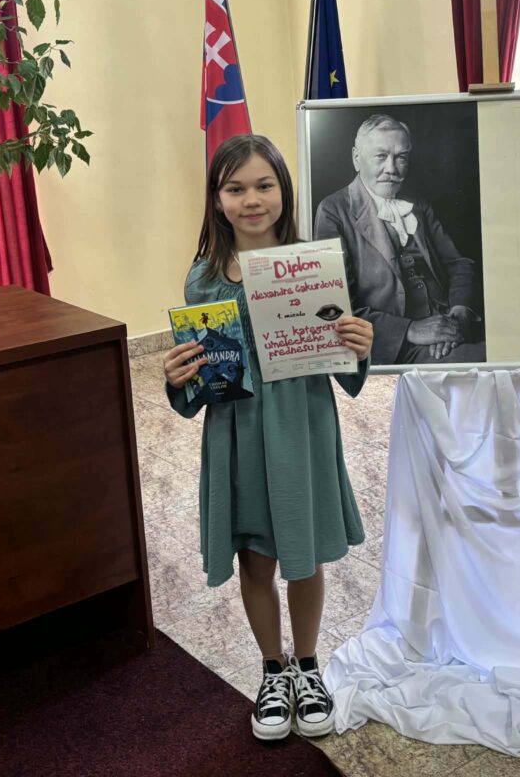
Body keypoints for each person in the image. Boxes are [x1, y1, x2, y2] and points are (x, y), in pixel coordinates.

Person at [163, 134, 373, 742]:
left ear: (284, 191)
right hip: (239, 431)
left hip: (302, 425)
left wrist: (357, 347)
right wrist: (179, 378)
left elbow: (342, 362)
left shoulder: (316, 266)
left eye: (264, 185)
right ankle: (273, 669)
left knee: (303, 553)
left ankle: (307, 666)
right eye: (236, 188)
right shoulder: (204, 281)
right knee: (256, 556)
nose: (251, 199)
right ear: (217, 199)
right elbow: (202, 379)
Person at [314, 113, 484, 365]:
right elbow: (334, 306)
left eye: (401, 157)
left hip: (450, 329)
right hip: (394, 346)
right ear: (357, 159)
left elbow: (458, 264)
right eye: (381, 156)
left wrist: (459, 313)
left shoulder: (417, 203)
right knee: (483, 363)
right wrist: (410, 330)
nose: (391, 169)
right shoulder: (333, 211)